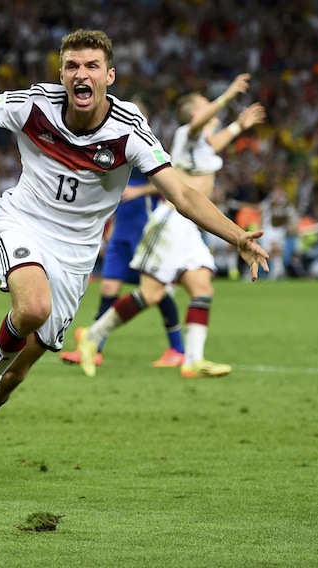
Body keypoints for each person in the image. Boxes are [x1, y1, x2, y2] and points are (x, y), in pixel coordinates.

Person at [0, 29, 269, 496]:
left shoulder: (129, 131)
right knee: (32, 308)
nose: (81, 74)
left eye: (91, 67)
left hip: (76, 257)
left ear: (110, 75)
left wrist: (236, 235)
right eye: (72, 66)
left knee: (16, 375)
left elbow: (182, 192)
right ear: (62, 73)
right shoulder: (34, 105)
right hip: (22, 223)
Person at [75, 73, 267, 379]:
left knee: (202, 286)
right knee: (151, 293)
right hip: (171, 221)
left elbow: (214, 143)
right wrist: (228, 95)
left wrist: (238, 126)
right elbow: (198, 127)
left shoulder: (201, 146)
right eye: (206, 107)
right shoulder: (185, 134)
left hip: (190, 227)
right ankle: (92, 336)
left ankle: (193, 359)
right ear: (197, 113)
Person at [59, 99, 185, 369]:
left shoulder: (148, 145)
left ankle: (178, 348)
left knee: (157, 291)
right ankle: (95, 347)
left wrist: (140, 191)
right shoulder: (113, 145)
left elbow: (173, 184)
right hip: (121, 229)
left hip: (146, 228)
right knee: (108, 287)